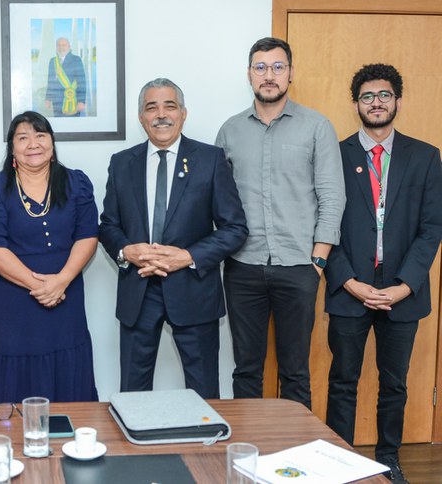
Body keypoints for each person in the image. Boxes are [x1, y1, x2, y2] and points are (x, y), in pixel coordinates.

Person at [324, 64, 442, 483]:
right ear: (356, 103)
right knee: (343, 381)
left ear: (398, 101)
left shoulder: (426, 156)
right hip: (348, 287)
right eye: (368, 96)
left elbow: (432, 228)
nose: (377, 102)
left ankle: (389, 460)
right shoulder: (334, 155)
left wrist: (404, 286)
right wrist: (349, 282)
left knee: (394, 384)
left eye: (385, 95)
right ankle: (337, 462)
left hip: (402, 292)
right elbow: (323, 224)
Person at [215, 37, 345, 408]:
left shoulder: (317, 127)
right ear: (249, 75)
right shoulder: (229, 131)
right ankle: (246, 454)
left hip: (299, 266)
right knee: (246, 369)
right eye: (260, 68)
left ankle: (296, 457)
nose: (268, 75)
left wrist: (318, 261)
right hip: (243, 267)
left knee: (295, 372)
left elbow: (333, 197)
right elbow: (217, 202)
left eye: (277, 67)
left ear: (290, 73)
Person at [99, 78, 247, 398]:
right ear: (141, 118)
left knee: (203, 393)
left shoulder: (210, 159)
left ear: (183, 113)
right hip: (138, 293)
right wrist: (127, 251)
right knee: (133, 395)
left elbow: (235, 228)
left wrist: (189, 256)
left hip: (194, 292)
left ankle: (205, 449)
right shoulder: (122, 163)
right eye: (152, 107)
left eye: (170, 106)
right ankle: (139, 448)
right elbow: (108, 225)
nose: (161, 114)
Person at [0, 110, 98, 403]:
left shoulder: (76, 183)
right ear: (12, 147)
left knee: (69, 371)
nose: (33, 144)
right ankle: (16, 441)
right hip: (15, 304)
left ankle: (71, 443)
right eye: (23, 137)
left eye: (40, 135)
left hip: (65, 297)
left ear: (52, 143)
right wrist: (39, 286)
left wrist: (61, 281)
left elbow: (88, 235)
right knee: (17, 382)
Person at [45, 37, 87, 117]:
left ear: (69, 47)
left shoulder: (76, 59)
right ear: (56, 47)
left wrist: (81, 101)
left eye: (64, 45)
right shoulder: (52, 61)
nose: (61, 47)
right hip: (56, 102)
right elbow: (50, 82)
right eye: (59, 45)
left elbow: (82, 81)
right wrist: (48, 98)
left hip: (73, 99)